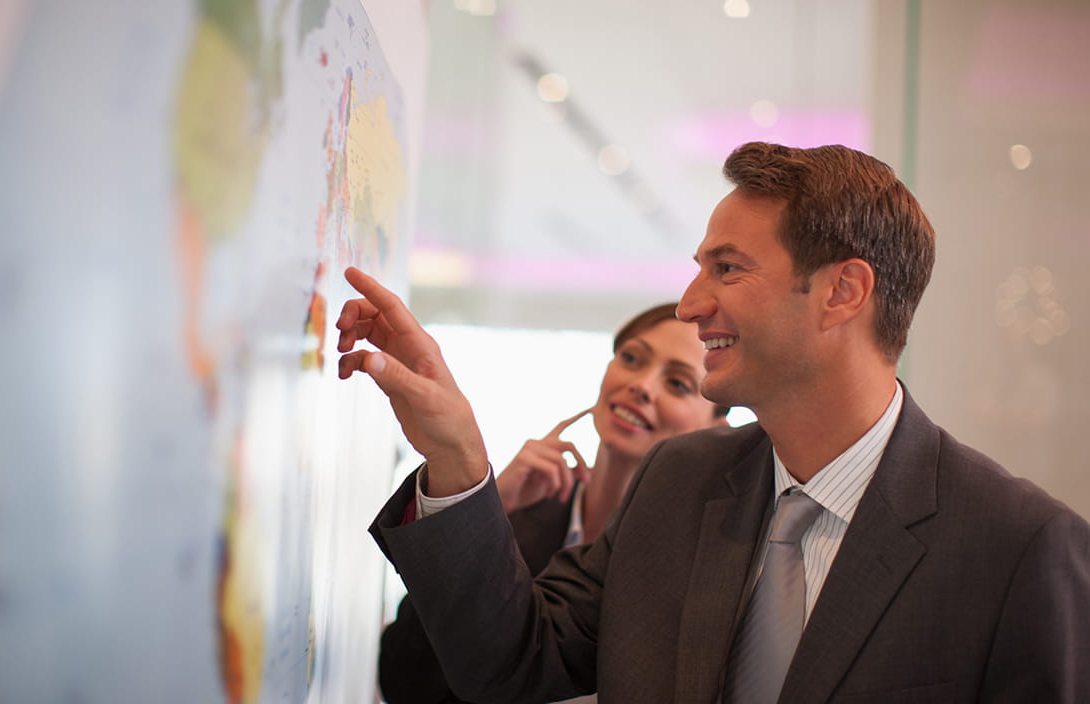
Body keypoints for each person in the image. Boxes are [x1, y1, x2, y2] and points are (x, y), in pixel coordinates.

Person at [338, 142, 1090, 703]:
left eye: (727, 269)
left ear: (842, 292)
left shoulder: (1019, 546)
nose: (693, 303)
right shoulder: (681, 480)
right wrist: (458, 457)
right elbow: (509, 662)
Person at [377, 304, 730, 704]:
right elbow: (403, 678)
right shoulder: (519, 517)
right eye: (632, 359)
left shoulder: (704, 564)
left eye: (678, 383)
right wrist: (488, 510)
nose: (643, 385)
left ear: (717, 430)